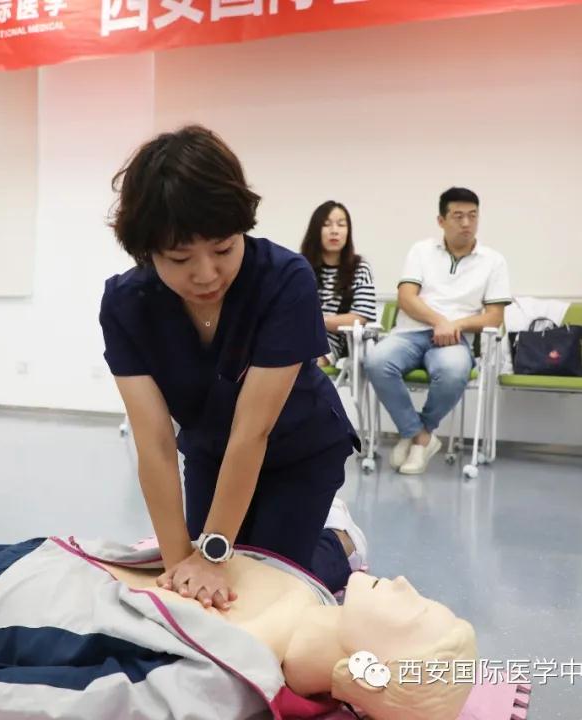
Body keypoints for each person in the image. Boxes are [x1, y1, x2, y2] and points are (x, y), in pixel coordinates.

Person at [0, 485, 477, 720]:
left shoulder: (230, 687)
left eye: (418, 613)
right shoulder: (316, 589)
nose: (411, 587)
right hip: (48, 558)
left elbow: (90, 700)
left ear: (368, 668)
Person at [99, 125, 359, 609]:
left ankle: (340, 542)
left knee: (268, 585)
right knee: (201, 581)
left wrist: (213, 553)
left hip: (299, 448)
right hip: (211, 452)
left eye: (223, 249)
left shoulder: (285, 281)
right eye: (180, 258)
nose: (206, 274)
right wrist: (180, 566)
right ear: (147, 251)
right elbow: (154, 443)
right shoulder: (125, 304)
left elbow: (251, 431)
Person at [365, 188, 510, 476]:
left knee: (453, 371)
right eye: (458, 216)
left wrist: (455, 325)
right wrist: (440, 321)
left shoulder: (493, 261)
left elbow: (495, 317)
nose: (466, 223)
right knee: (377, 361)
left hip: (455, 339)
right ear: (441, 220)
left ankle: (418, 434)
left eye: (472, 216)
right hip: (410, 333)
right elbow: (406, 298)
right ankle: (420, 436)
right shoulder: (421, 251)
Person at [299, 201, 378, 367]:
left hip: (330, 343)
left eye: (341, 225)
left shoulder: (359, 268)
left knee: (297, 364)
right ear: (315, 230)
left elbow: (359, 318)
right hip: (294, 335)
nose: (334, 231)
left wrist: (316, 321)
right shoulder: (300, 266)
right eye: (326, 224)